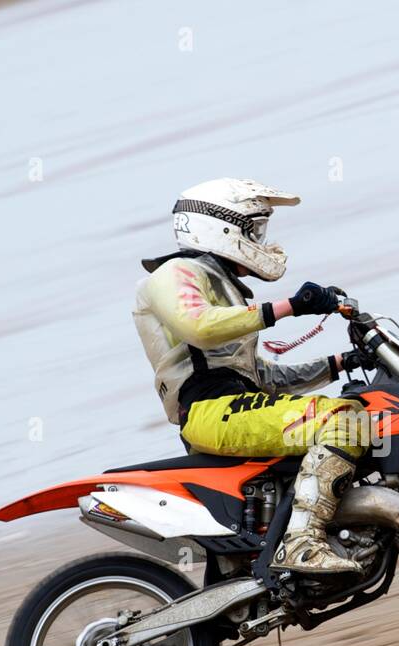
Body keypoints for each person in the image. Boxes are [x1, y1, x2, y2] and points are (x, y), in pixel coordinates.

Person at [132, 177, 372, 574]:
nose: (261, 239)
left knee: (351, 411)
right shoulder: (173, 275)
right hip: (214, 412)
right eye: (254, 229)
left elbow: (264, 377)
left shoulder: (223, 287)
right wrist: (289, 307)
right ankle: (302, 544)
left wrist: (344, 361)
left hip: (236, 407)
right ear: (222, 228)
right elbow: (198, 325)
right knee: (345, 421)